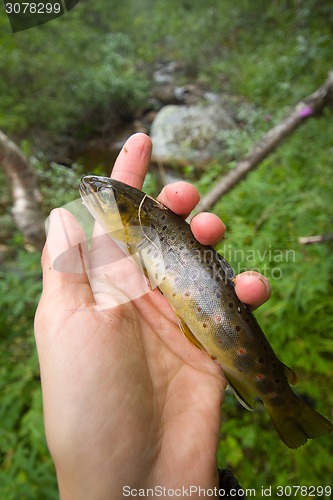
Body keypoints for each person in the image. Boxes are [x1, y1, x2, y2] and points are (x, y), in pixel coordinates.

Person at [34, 133, 271, 499]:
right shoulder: (129, 239)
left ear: (130, 217)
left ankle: (277, 394)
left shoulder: (137, 230)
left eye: (110, 199)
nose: (94, 194)